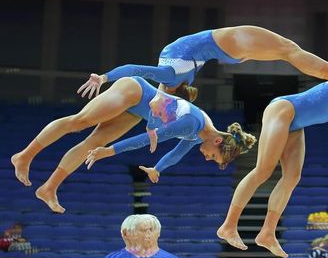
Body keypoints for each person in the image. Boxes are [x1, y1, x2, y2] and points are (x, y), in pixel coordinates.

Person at [216, 71, 328, 258]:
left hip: (296, 124)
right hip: (284, 109)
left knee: (293, 177)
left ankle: (267, 233)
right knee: (263, 170)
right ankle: (228, 225)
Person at [11, 76, 254, 213]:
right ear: (219, 141)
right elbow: (148, 139)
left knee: (92, 142)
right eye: (213, 156)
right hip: (134, 91)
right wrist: (111, 151)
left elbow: (176, 154)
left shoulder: (201, 132)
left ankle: (49, 187)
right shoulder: (192, 124)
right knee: (79, 122)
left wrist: (158, 169)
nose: (207, 158)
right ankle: (24, 156)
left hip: (138, 111)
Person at [77, 25, 328, 100]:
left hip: (227, 52)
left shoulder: (178, 81)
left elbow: (140, 79)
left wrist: (154, 126)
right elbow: (133, 70)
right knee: (290, 50)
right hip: (225, 42)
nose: (156, 92)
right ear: (168, 91)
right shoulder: (170, 76)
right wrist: (103, 78)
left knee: (290, 52)